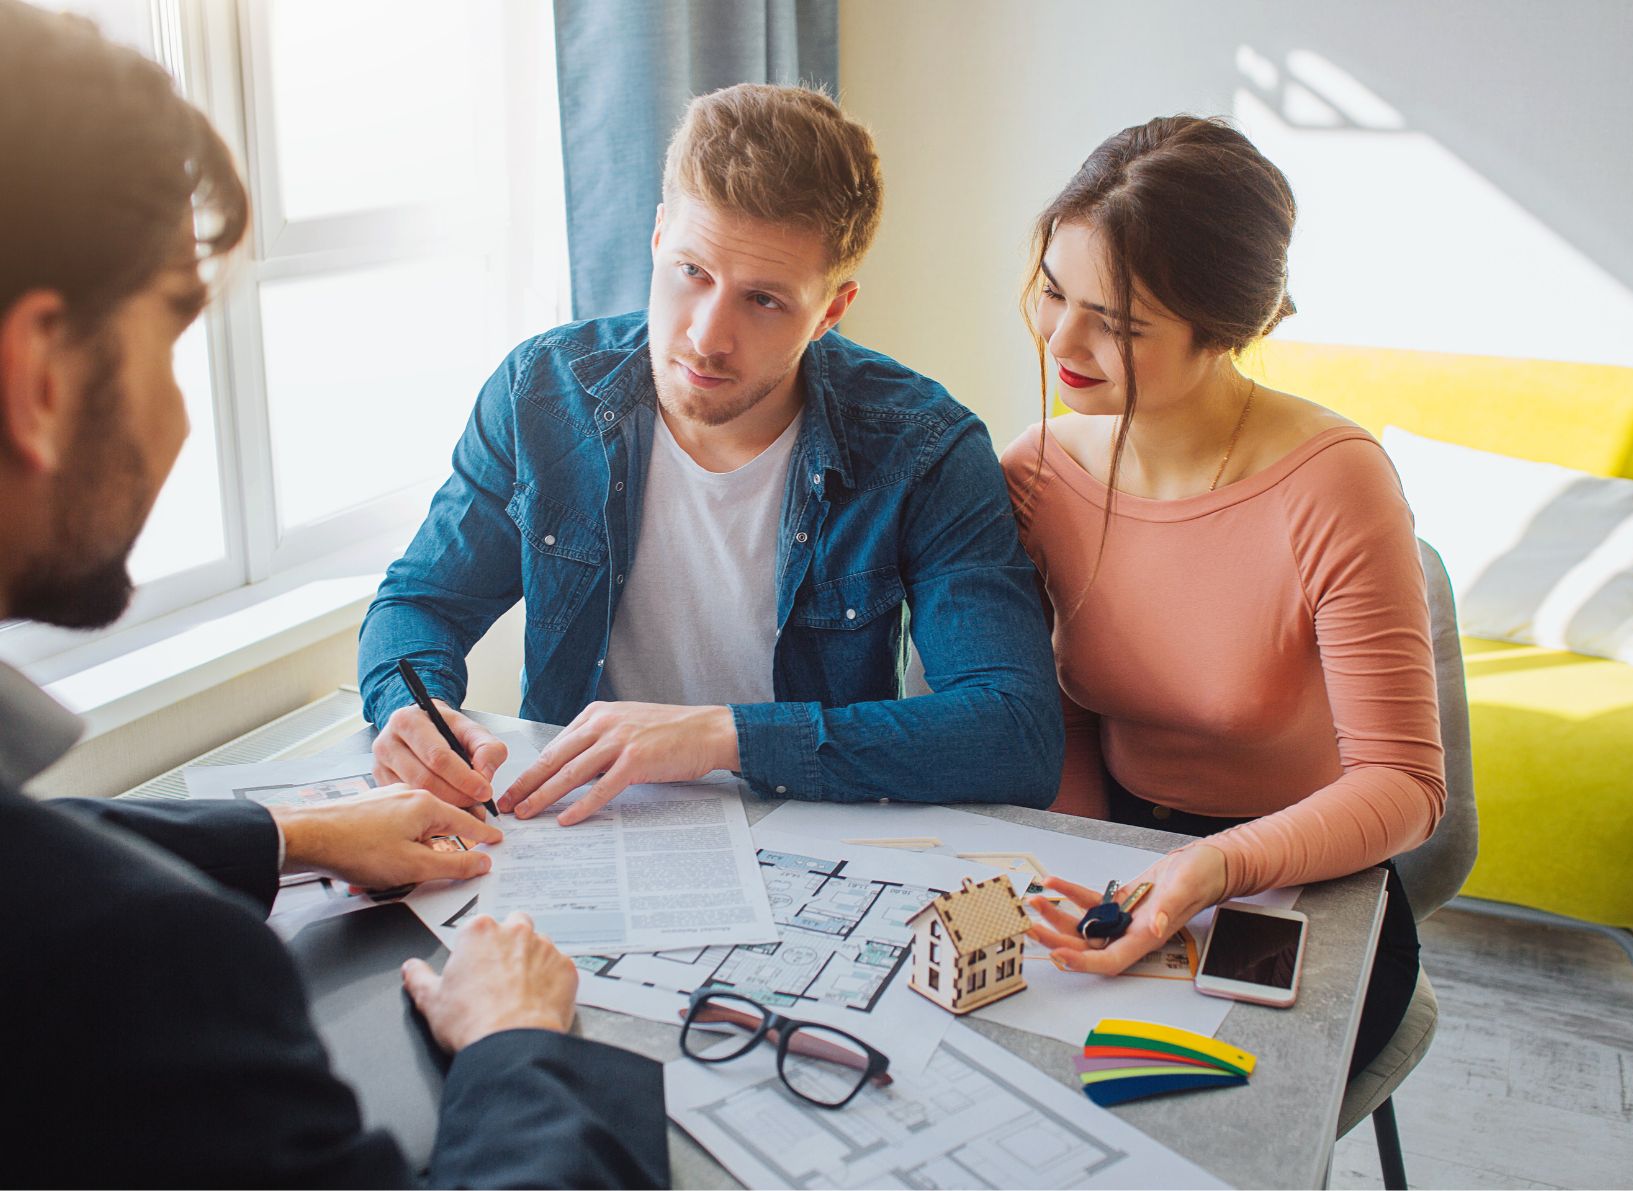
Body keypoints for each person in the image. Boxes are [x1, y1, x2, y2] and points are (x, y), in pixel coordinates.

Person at [0, 4, 666, 1185]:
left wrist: (290, 833)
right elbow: (417, 602)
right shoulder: (149, 970)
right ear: (38, 379)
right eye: (173, 335)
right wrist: (516, 1048)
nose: (179, 414)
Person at [358, 83, 1062, 825]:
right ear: (659, 235)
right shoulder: (541, 393)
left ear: (832, 309)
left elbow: (1015, 732)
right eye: (692, 271)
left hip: (811, 834)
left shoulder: (923, 445)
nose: (705, 336)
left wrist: (722, 736)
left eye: (763, 300)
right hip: (579, 827)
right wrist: (414, 708)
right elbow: (419, 602)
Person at [1000, 116, 1446, 1074]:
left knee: (1176, 1113)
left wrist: (1214, 866)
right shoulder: (1036, 476)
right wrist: (1094, 858)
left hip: (1308, 876)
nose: (1063, 340)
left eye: (1116, 323)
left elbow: (1406, 787)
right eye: (1051, 291)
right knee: (1019, 1086)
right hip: (1120, 845)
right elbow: (1066, 708)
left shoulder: (1334, 481)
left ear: (1225, 331)